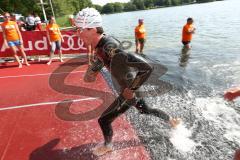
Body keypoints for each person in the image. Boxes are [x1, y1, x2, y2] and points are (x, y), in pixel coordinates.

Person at [75, 8, 181, 156]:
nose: (77, 33)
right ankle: (171, 120)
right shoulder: (100, 44)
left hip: (129, 92)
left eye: (79, 29)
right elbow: (102, 58)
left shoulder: (110, 46)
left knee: (104, 121)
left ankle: (108, 145)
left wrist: (131, 90)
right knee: (146, 110)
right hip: (129, 88)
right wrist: (94, 69)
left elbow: (147, 67)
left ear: (92, 29)